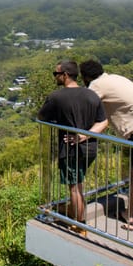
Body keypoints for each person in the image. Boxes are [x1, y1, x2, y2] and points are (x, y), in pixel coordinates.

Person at [79, 60, 133, 231]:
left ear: (85, 77)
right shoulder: (113, 78)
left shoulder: (97, 86)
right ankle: (129, 212)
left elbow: (84, 105)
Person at [38, 60, 108, 234]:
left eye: (56, 74)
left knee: (74, 186)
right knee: (78, 183)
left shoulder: (57, 97)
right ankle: (72, 211)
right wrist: (85, 135)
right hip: (90, 148)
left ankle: (79, 224)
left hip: (70, 148)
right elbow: (103, 121)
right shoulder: (92, 94)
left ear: (65, 75)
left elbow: (42, 117)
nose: (55, 77)